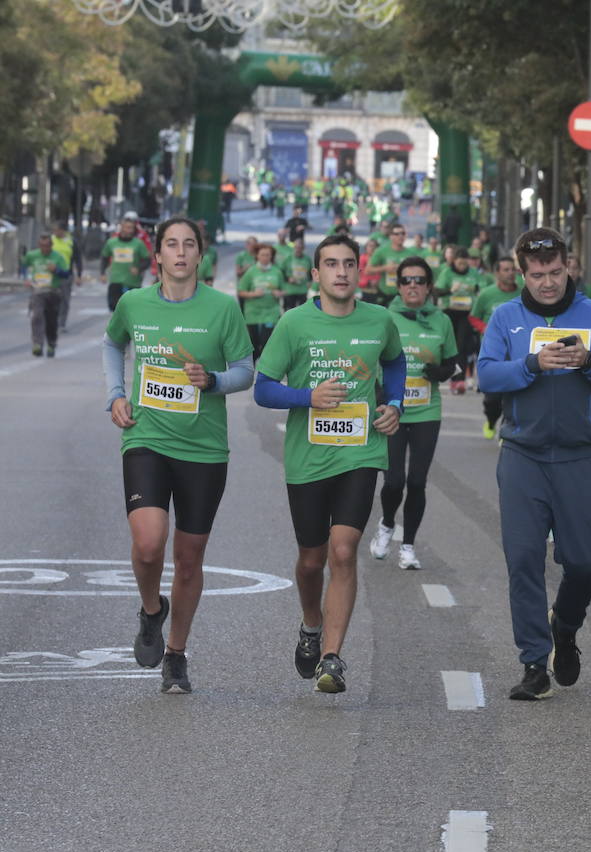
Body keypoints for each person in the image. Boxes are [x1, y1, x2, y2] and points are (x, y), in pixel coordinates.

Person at [476, 227, 591, 702]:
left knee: (584, 563)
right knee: (523, 559)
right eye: (537, 274)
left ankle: (564, 629)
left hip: (578, 457)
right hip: (522, 456)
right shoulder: (506, 317)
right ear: (522, 273)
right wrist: (531, 365)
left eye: (556, 272)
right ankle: (532, 662)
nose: (547, 283)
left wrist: (588, 361)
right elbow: (486, 374)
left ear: (570, 267)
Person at [102, 217, 253, 693]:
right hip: (146, 436)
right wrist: (115, 393)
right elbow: (112, 342)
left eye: (190, 245)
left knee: (189, 558)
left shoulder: (222, 308)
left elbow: (245, 369)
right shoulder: (133, 303)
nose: (182, 252)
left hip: (204, 447)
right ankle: (152, 610)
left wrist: (214, 381)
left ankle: (176, 653)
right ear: (159, 255)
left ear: (201, 255)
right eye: (172, 244)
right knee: (149, 544)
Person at [253, 234, 406, 693]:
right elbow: (263, 388)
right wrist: (308, 397)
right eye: (331, 264)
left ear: (359, 272)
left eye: (349, 264)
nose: (341, 272)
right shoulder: (294, 324)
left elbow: (395, 363)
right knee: (310, 560)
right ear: (315, 274)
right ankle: (310, 623)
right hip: (308, 459)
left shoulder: (380, 319)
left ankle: (332, 658)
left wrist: (394, 402)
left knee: (343, 551)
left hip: (361, 451)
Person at [369, 256, 458, 570]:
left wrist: (440, 372)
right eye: (406, 280)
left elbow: (452, 363)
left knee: (417, 482)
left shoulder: (441, 321)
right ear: (398, 285)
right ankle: (387, 524)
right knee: (394, 482)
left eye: (419, 280)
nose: (413, 286)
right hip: (391, 410)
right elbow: (370, 359)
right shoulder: (383, 317)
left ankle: (408, 547)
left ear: (429, 287)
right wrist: (380, 395)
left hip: (426, 412)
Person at [471, 256, 522, 438]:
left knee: (513, 393)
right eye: (506, 270)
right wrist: (486, 329)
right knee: (492, 399)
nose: (510, 273)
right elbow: (474, 317)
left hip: (517, 351)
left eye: (512, 270)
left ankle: (506, 429)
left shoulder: (524, 292)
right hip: (494, 352)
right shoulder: (486, 294)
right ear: (497, 273)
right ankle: (491, 421)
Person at [442, 247, 484, 393]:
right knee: (450, 348)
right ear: (454, 261)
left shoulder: (473, 273)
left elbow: (483, 289)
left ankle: (459, 380)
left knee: (462, 347)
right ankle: (453, 377)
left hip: (466, 313)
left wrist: (476, 288)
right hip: (450, 312)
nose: (462, 267)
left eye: (464, 264)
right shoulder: (447, 272)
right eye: (459, 263)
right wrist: (450, 290)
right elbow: (436, 290)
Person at [237, 243, 284, 361]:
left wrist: (279, 293)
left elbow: (283, 290)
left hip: (270, 312)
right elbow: (241, 292)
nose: (265, 257)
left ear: (271, 256)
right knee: (254, 345)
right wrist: (254, 294)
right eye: (262, 255)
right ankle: (250, 372)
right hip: (253, 313)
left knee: (266, 342)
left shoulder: (277, 272)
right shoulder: (251, 272)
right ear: (257, 256)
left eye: (268, 255)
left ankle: (265, 370)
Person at [23, 234, 65, 358]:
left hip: (53, 292)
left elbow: (66, 274)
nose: (44, 248)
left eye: (47, 246)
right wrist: (27, 278)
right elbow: (25, 265)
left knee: (51, 321)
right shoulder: (32, 255)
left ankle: (51, 344)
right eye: (42, 246)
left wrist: (56, 270)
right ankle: (37, 344)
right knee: (37, 316)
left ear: (51, 245)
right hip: (38, 292)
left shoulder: (58, 257)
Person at [101, 216, 151, 312]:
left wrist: (139, 268)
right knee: (114, 308)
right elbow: (104, 258)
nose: (129, 230)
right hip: (115, 281)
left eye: (131, 228)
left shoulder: (138, 244)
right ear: (121, 227)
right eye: (127, 227)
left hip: (133, 282)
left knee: (132, 311)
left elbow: (147, 260)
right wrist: (102, 273)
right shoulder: (112, 242)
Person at [369, 222, 417, 304]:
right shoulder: (381, 251)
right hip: (384, 294)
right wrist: (385, 268)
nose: (400, 236)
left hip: (402, 296)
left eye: (403, 233)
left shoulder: (411, 254)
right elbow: (368, 270)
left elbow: (417, 274)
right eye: (397, 234)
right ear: (391, 236)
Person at [50, 223, 80, 333]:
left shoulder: (71, 241)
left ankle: (61, 323)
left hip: (66, 275)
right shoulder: (51, 240)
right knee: (51, 299)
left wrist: (79, 275)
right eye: (54, 230)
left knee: (64, 300)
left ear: (63, 231)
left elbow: (78, 258)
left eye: (57, 230)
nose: (56, 233)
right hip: (51, 275)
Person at [281, 237, 313, 310]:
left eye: (300, 248)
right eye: (296, 247)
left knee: (302, 312)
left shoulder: (307, 259)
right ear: (293, 247)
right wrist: (288, 279)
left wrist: (310, 282)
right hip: (290, 291)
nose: (298, 250)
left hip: (302, 290)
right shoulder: (288, 258)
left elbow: (310, 272)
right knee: (289, 312)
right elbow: (281, 272)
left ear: (303, 248)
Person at [195, 220, 218, 288]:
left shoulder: (212, 252)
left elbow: (214, 265)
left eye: (205, 242)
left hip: (206, 278)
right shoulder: (194, 251)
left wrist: (212, 278)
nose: (204, 244)